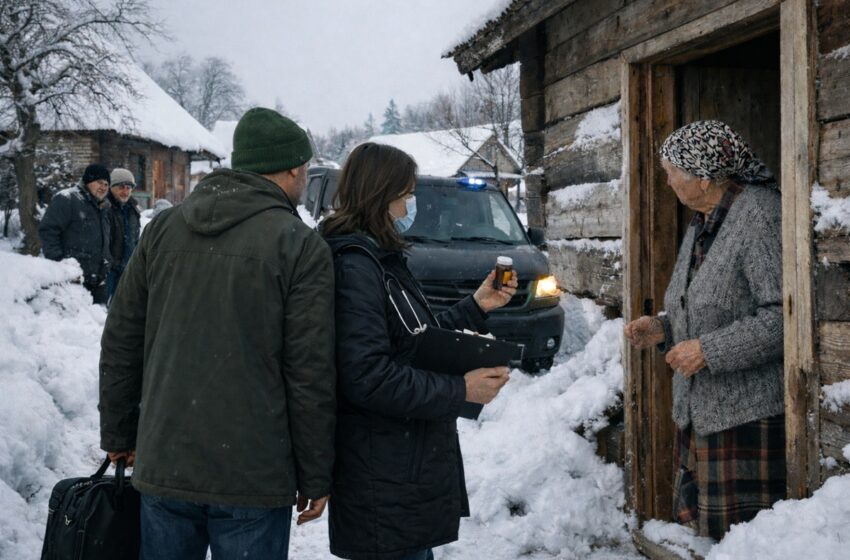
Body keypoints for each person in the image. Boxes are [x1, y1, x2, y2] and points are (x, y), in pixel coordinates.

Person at [99, 107, 335, 560]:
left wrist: (120, 433)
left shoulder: (163, 230)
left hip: (165, 457)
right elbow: (310, 373)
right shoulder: (299, 245)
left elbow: (121, 338)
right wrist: (315, 473)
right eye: (303, 168)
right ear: (290, 169)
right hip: (252, 474)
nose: (304, 177)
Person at [321, 142, 516, 560]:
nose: (411, 203)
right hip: (383, 473)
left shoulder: (381, 259)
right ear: (381, 195)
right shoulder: (356, 267)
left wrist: (477, 306)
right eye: (406, 194)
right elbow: (367, 377)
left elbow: (415, 340)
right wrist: (459, 390)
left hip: (401, 468)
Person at [623, 120, 784, 540]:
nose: (667, 179)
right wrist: (662, 327)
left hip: (745, 417)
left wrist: (708, 351)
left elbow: (783, 318)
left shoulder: (759, 216)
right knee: (706, 538)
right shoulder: (703, 220)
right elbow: (709, 305)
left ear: (703, 175)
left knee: (744, 542)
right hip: (703, 413)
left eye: (672, 170)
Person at [39, 163, 112, 304]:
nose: (103, 187)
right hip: (73, 281)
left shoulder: (102, 207)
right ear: (88, 181)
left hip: (98, 281)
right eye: (99, 182)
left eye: (106, 184)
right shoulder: (67, 199)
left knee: (98, 323)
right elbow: (48, 231)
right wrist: (60, 264)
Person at [105, 168, 141, 301]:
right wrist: (109, 262)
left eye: (128, 187)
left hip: (127, 268)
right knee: (103, 309)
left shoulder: (133, 210)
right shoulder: (105, 208)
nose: (125, 192)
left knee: (122, 307)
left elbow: (135, 239)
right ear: (111, 187)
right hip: (109, 270)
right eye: (121, 187)